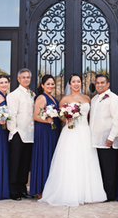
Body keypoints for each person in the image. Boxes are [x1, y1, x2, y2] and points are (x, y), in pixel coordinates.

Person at [39, 73, 106, 206]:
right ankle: (70, 192)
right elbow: (62, 117)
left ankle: (88, 193)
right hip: (71, 132)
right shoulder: (65, 99)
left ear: (81, 83)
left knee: (87, 160)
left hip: (85, 131)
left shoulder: (87, 98)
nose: (76, 84)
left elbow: (89, 117)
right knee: (71, 160)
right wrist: (68, 118)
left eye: (78, 81)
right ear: (69, 84)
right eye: (74, 81)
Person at [90, 73, 118, 201]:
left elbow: (117, 120)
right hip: (94, 140)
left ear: (108, 84)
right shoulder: (93, 100)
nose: (99, 85)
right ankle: (101, 193)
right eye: (97, 83)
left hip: (107, 140)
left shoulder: (114, 99)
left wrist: (111, 137)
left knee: (109, 169)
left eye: (102, 82)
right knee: (99, 169)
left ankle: (110, 195)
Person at [29, 74, 60, 197]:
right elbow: (35, 116)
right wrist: (46, 120)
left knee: (51, 157)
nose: (50, 86)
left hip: (52, 131)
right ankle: (40, 189)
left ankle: (50, 188)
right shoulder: (42, 98)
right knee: (43, 156)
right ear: (42, 85)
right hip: (44, 131)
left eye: (52, 84)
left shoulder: (52, 97)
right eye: (48, 84)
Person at [7, 68, 35, 200]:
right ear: (18, 79)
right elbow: (11, 115)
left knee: (25, 163)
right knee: (15, 163)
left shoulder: (32, 94)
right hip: (18, 133)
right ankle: (13, 191)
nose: (26, 79)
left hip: (30, 134)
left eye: (28, 77)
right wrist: (14, 131)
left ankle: (23, 188)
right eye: (23, 77)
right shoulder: (14, 95)